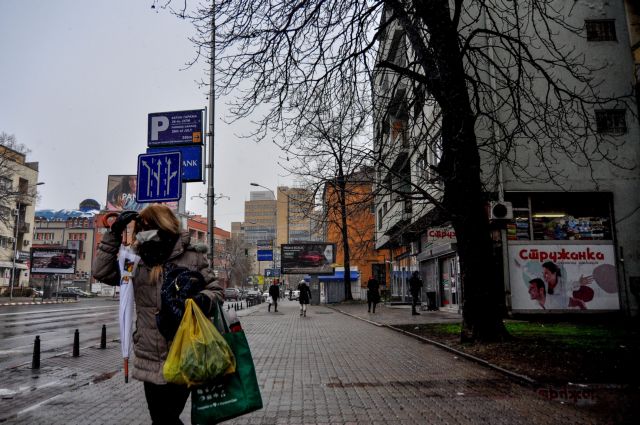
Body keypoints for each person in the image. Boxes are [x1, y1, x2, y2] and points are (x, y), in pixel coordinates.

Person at [93, 205, 223, 425]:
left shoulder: (191, 256)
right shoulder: (135, 257)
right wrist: (113, 233)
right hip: (149, 354)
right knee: (161, 419)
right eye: (140, 226)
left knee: (165, 419)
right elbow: (102, 272)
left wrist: (201, 300)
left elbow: (216, 292)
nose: (141, 230)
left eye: (146, 225)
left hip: (185, 350)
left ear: (161, 224)